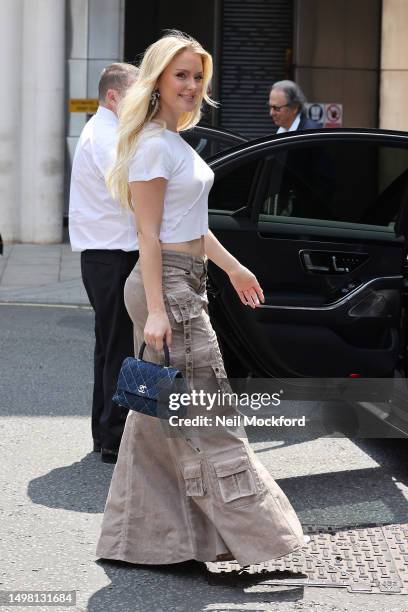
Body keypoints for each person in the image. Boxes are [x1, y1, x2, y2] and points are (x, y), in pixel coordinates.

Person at [96, 32, 304, 566]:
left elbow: (190, 223)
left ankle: (134, 541)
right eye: (181, 75)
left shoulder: (171, 141)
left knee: (153, 422)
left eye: (197, 77)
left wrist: (233, 268)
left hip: (185, 282)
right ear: (158, 81)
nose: (191, 86)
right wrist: (160, 313)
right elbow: (148, 235)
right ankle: (264, 539)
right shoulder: (150, 146)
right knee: (210, 416)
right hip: (166, 287)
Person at [69, 63, 139, 463]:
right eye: (134, 92)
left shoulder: (106, 132)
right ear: (113, 96)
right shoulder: (105, 136)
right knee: (121, 350)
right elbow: (131, 190)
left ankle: (105, 433)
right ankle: (116, 438)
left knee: (110, 348)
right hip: (112, 257)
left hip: (106, 256)